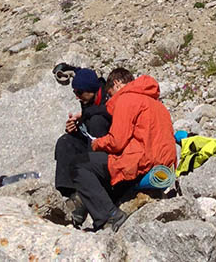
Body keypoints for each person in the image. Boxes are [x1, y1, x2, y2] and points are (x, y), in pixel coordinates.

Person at [70, 66, 176, 232]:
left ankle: (111, 217)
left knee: (80, 164)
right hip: (165, 165)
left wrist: (96, 143)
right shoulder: (156, 104)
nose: (111, 99)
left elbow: (116, 141)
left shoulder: (126, 99)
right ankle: (92, 210)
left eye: (111, 93)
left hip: (143, 162)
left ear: (117, 83)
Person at [54, 67, 110, 215]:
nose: (77, 97)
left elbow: (109, 110)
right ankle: (68, 192)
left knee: (97, 122)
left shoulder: (108, 96)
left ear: (90, 89)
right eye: (75, 93)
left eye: (79, 93)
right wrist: (75, 128)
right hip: (90, 140)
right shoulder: (88, 98)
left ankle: (89, 189)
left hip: (107, 148)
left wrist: (85, 115)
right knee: (65, 142)